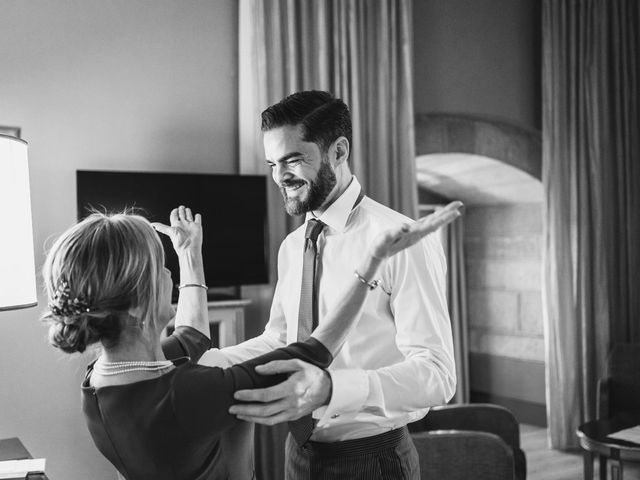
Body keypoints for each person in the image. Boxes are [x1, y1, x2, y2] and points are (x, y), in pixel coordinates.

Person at [42, 202, 461, 480]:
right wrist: (371, 263)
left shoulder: (102, 381)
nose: (169, 277)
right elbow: (313, 351)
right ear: (134, 309)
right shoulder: (186, 394)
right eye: (159, 269)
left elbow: (191, 337)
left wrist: (190, 257)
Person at [204, 90, 459, 479]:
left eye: (293, 160)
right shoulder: (293, 246)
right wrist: (210, 363)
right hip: (298, 455)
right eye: (273, 163)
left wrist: (331, 389)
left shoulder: (399, 240)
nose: (280, 176)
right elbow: (281, 339)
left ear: (338, 151)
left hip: (374, 460)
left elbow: (438, 375)